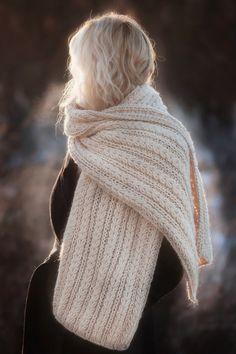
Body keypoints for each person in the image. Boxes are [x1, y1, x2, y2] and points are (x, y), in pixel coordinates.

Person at [21, 10, 212, 354]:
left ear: (98, 66)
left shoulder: (164, 142)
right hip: (56, 315)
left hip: (118, 329)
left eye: (79, 63)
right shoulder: (88, 133)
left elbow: (172, 256)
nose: (74, 73)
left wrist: (115, 300)